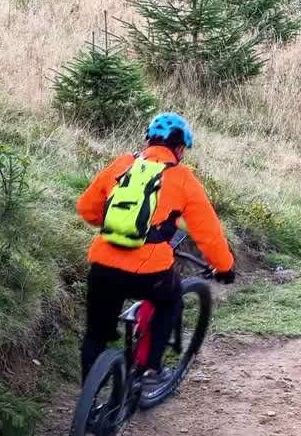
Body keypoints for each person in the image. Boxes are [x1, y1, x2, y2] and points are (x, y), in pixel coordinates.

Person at [76, 113, 235, 391]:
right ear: (179, 148)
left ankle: (88, 404)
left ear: (149, 140)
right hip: (149, 273)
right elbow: (208, 232)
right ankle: (150, 368)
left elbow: (86, 209)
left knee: (95, 336)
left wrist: (122, 227)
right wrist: (224, 267)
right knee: (171, 300)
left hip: (103, 265)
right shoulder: (183, 178)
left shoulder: (123, 163)